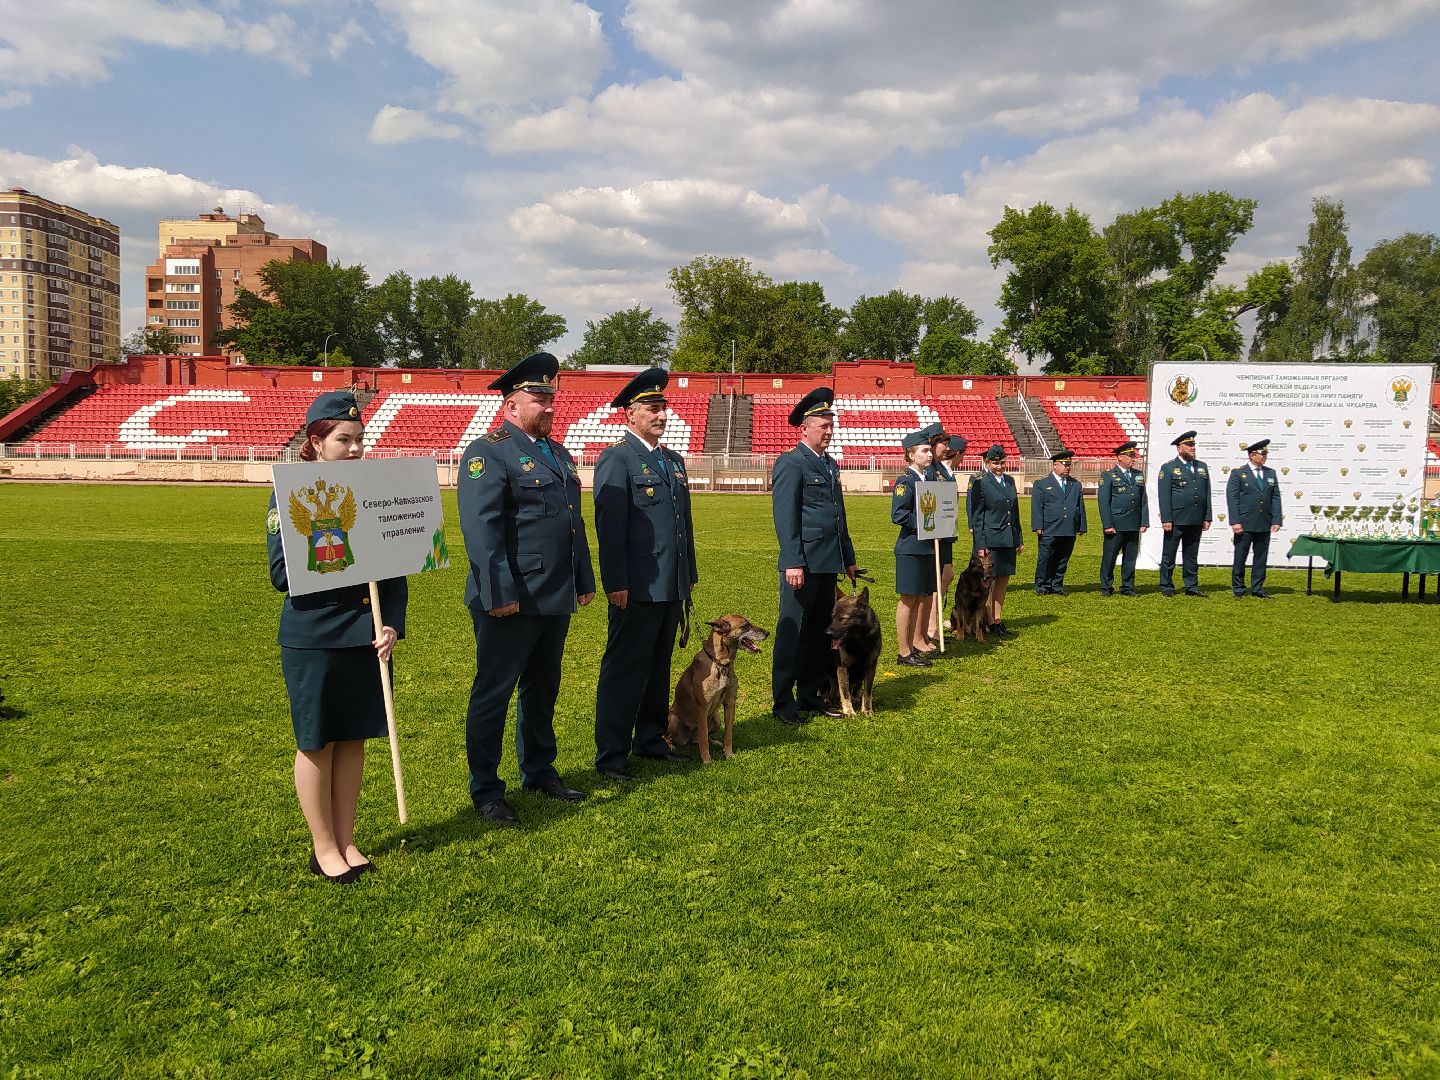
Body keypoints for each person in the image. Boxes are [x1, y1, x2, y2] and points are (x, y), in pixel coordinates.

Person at [267, 390, 406, 884]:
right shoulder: (294, 493)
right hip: (316, 635)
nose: (354, 449)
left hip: (366, 635)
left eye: (359, 439)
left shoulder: (368, 491)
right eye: (343, 439)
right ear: (316, 442)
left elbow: (395, 571)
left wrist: (392, 623)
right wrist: (350, 558)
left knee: (352, 741)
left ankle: (347, 840)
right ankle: (322, 846)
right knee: (317, 741)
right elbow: (284, 573)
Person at [458, 351, 596, 825]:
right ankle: (487, 791)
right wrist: (499, 593)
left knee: (543, 687)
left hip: (553, 594)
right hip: (510, 597)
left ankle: (538, 769)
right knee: (494, 693)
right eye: (539, 398)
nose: (550, 406)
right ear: (512, 403)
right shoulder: (488, 451)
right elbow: (482, 529)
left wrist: (583, 578)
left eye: (551, 397)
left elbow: (572, 523)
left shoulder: (557, 453)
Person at [592, 367, 697, 781]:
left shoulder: (672, 461)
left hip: (669, 582)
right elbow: (609, 526)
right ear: (629, 415)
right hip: (635, 585)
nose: (660, 415)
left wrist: (688, 573)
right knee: (624, 670)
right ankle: (612, 754)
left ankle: (650, 739)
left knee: (658, 666)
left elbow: (682, 523)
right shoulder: (616, 458)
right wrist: (615, 581)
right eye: (652, 408)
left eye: (663, 408)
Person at [771, 387, 858, 724]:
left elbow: (839, 515)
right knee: (793, 632)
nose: (829, 430)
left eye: (831, 423)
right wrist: (793, 560)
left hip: (828, 562)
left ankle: (809, 695)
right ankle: (783, 702)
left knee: (820, 633)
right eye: (822, 424)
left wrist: (847, 557)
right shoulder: (792, 463)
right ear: (804, 428)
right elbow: (785, 515)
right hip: (803, 564)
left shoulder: (830, 464)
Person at [892, 430, 938, 668]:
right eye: (924, 450)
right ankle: (903, 650)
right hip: (910, 547)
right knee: (908, 599)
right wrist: (927, 523)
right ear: (910, 455)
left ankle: (911, 647)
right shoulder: (905, 481)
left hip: (926, 547)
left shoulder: (925, 479)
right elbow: (898, 515)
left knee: (920, 597)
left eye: (930, 450)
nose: (929, 454)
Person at [967, 443, 1022, 636]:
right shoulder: (981, 481)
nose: (999, 466)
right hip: (990, 538)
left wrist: (1018, 539)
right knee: (987, 582)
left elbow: (1014, 513)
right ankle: (986, 619)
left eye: (1002, 462)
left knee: (1003, 579)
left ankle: (997, 619)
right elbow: (977, 515)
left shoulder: (1010, 481)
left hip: (1007, 538)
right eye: (994, 463)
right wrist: (980, 543)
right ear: (987, 462)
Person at [924, 427, 967, 644]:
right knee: (937, 580)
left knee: (945, 576)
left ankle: (934, 624)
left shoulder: (941, 468)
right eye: (944, 443)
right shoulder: (930, 469)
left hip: (946, 530)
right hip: (935, 532)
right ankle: (931, 628)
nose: (947, 448)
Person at [1157, 430, 1212, 597]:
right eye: (1189, 445)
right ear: (1179, 448)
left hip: (1196, 518)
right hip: (1176, 518)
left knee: (1191, 554)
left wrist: (1207, 516)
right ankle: (1167, 585)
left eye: (1193, 444)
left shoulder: (1201, 466)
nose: (1192, 447)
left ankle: (1191, 585)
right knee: (1169, 554)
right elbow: (1164, 496)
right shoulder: (1169, 467)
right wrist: (1166, 518)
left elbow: (1206, 493)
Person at [1226, 438, 1282, 598]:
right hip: (1245, 522)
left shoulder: (1271, 473)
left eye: (1266, 453)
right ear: (1251, 455)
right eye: (1261, 453)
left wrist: (1277, 519)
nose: (1264, 456)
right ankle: (1238, 587)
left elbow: (1275, 497)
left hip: (1264, 522)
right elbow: (1232, 498)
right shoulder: (1238, 473)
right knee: (1240, 556)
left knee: (1261, 556)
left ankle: (1257, 587)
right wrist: (1235, 521)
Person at [1030, 449, 1086, 595]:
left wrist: (1082, 526)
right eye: (1064, 464)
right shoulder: (1042, 484)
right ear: (1054, 466)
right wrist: (1038, 525)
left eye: (1069, 465)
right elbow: (1037, 506)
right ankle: (1042, 585)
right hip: (1050, 527)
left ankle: (1057, 585)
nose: (1067, 467)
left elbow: (1080, 506)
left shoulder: (1075, 484)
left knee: (1062, 559)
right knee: (1046, 557)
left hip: (1068, 528)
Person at [1097, 440, 1148, 597]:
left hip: (1133, 523)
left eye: (1134, 455)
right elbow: (1104, 502)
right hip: (1116, 524)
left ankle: (1128, 586)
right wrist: (1107, 524)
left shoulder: (1138, 475)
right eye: (1130, 455)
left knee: (1130, 557)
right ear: (1120, 457)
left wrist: (1144, 521)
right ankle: (1106, 586)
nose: (1134, 458)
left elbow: (1143, 500)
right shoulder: (1108, 476)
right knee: (1110, 557)